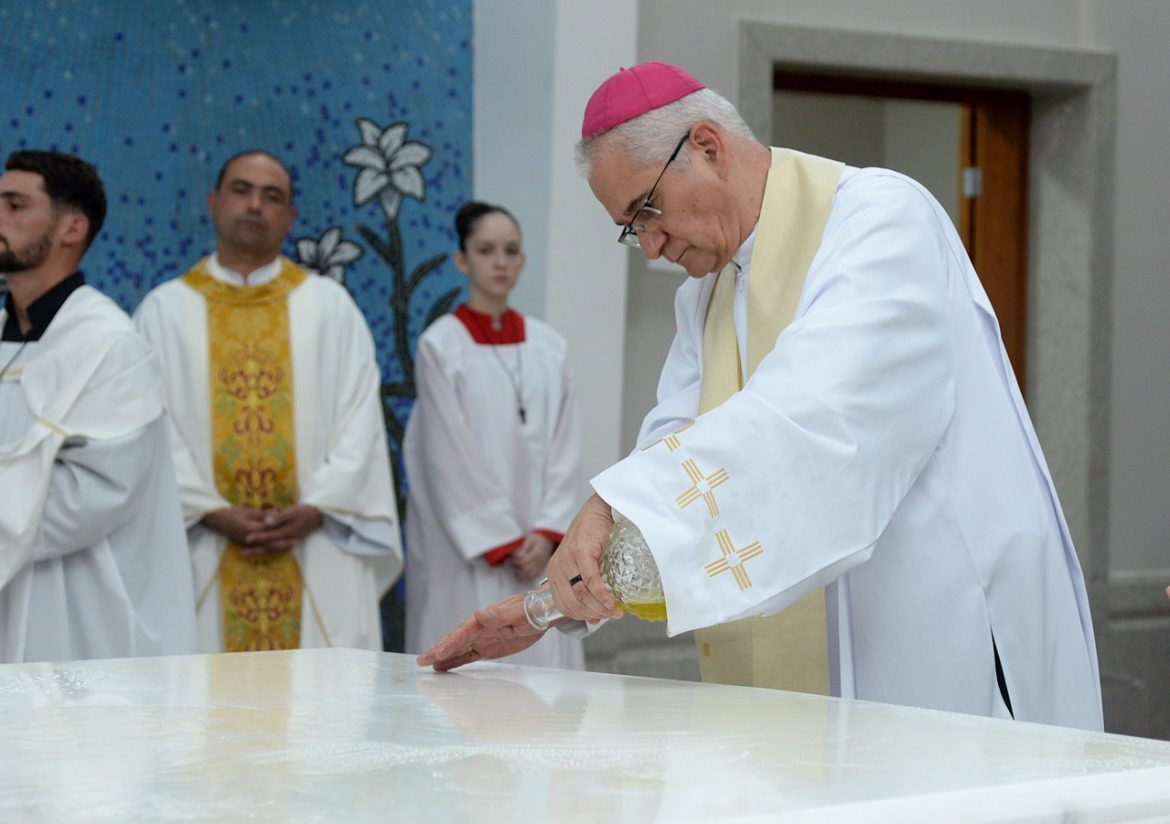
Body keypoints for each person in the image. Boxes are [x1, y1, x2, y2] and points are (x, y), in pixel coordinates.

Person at [418, 62, 1104, 731]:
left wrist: (593, 528)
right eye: (631, 229)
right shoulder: (705, 295)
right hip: (837, 675)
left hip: (933, 639)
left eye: (645, 211)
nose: (651, 245)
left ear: (708, 148)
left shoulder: (879, 221)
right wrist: (555, 599)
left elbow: (808, 426)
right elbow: (675, 444)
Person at [135, 149, 401, 653]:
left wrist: (319, 506)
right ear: (214, 202)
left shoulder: (330, 308)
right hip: (203, 553)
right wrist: (209, 509)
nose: (255, 205)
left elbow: (361, 422)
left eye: (271, 196)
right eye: (241, 190)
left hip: (314, 547)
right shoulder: (163, 311)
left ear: (290, 216)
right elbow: (149, 428)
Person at [0, 150, 196, 663]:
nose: (0, 216)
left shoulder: (110, 346)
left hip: (70, 614)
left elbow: (91, 496)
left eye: (15, 205)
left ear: (72, 228)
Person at [404, 202, 584, 669]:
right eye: (486, 250)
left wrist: (547, 533)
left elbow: (566, 447)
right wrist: (499, 539)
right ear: (463, 260)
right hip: (474, 553)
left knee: (544, 680)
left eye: (511, 251)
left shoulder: (549, 346)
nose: (500, 262)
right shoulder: (441, 346)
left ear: (523, 261)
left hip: (539, 549)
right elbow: (445, 455)